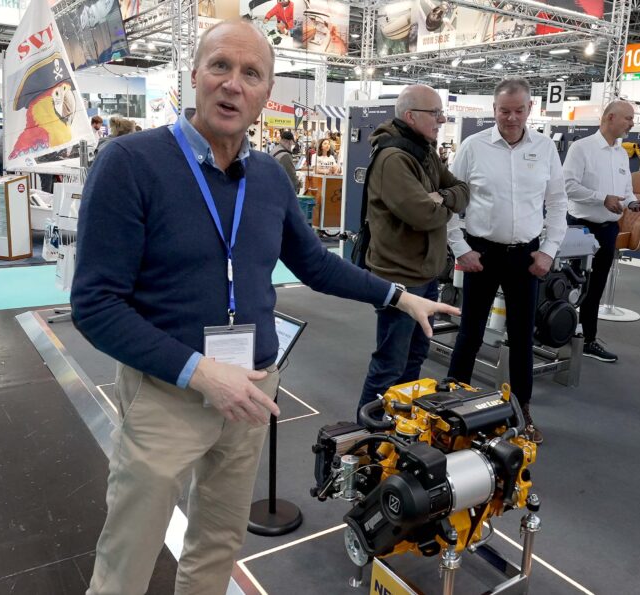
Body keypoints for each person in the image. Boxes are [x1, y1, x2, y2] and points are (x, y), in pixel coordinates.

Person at [70, 20, 456, 595]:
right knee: (128, 555)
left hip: (252, 389)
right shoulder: (131, 162)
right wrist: (202, 372)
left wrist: (397, 296)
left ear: (266, 93)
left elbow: (315, 263)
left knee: (218, 542)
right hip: (167, 392)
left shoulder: (271, 177)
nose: (233, 84)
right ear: (195, 75)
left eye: (251, 74)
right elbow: (95, 304)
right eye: (220, 66)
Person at [446, 78, 567, 444]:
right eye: (504, 111)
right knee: (470, 333)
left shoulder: (545, 148)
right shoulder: (473, 146)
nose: (511, 118)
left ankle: (521, 409)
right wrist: (459, 247)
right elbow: (450, 200)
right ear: (494, 110)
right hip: (481, 254)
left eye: (518, 110)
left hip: (525, 257)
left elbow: (558, 203)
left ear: (530, 109)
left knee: (521, 338)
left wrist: (549, 250)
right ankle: (451, 406)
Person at [357, 84, 470, 415]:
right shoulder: (394, 158)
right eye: (435, 113)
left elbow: (462, 189)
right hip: (400, 278)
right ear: (411, 116)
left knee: (415, 355)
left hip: (425, 274)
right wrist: (443, 205)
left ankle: (399, 422)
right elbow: (424, 215)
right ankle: (367, 430)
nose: (442, 119)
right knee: (390, 363)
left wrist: (441, 198)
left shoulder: (425, 151)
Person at [561, 100, 640, 364]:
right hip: (581, 228)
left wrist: (632, 203)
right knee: (572, 284)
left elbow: (626, 190)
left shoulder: (621, 154)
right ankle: (556, 331)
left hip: (608, 229)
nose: (632, 123)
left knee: (596, 287)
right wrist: (601, 198)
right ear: (610, 117)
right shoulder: (581, 148)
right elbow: (568, 186)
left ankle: (587, 340)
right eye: (628, 118)